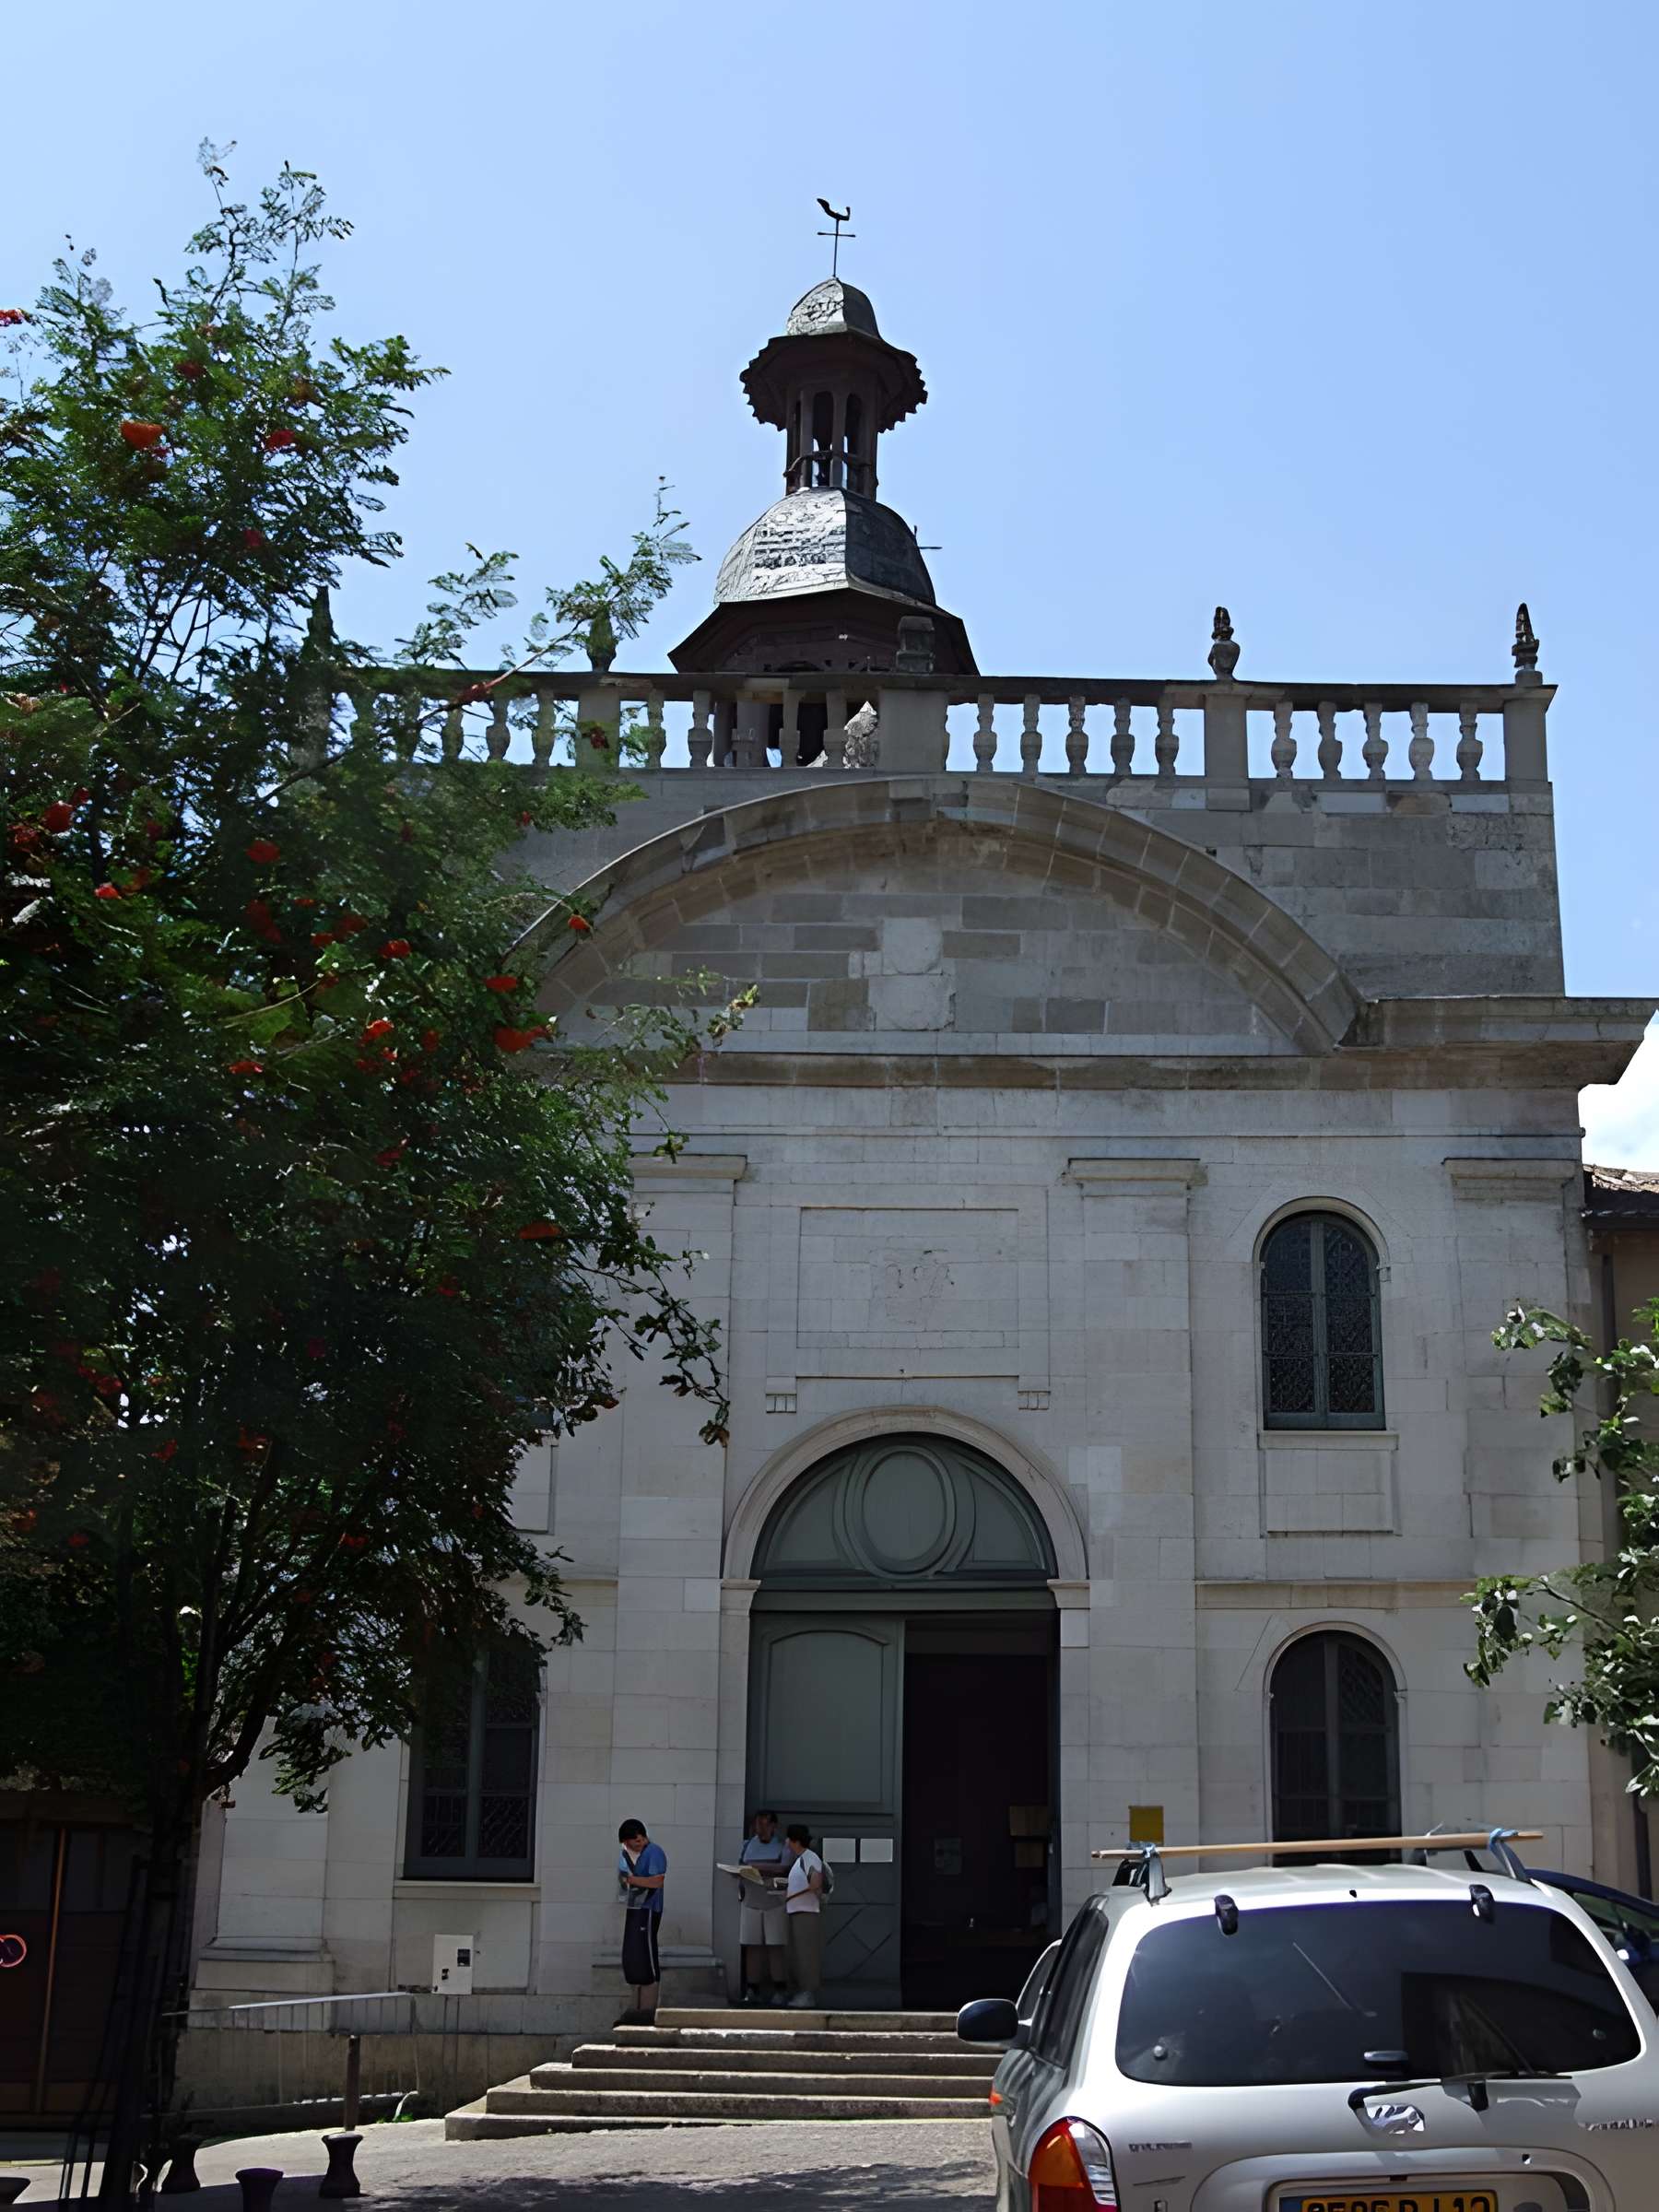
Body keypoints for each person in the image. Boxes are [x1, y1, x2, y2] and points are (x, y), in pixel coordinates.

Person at [617, 1818, 666, 2023]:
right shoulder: (629, 1855)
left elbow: (657, 1881)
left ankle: (647, 2009)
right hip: (634, 1909)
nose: (630, 1846)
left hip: (648, 1910)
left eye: (633, 1842)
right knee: (632, 1957)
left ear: (641, 1838)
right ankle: (634, 2008)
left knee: (647, 1959)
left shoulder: (654, 1852)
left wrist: (631, 1880)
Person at [735, 1808, 788, 2006]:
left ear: (774, 1825)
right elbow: (740, 1867)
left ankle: (780, 1989)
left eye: (766, 1824)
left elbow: (784, 1868)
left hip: (774, 1902)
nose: (761, 1828)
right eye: (758, 1824)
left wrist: (759, 1868)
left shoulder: (782, 1846)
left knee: (776, 1946)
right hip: (751, 1900)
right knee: (752, 1946)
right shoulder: (746, 1846)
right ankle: (752, 1988)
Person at [782, 1823, 827, 2009]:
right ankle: (800, 1991)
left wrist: (793, 1895)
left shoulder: (810, 1858)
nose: (785, 1842)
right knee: (797, 1955)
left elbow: (816, 1883)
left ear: (794, 1840)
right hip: (797, 1911)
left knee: (806, 1955)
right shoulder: (800, 1859)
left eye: (788, 1838)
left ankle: (807, 1994)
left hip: (806, 1912)